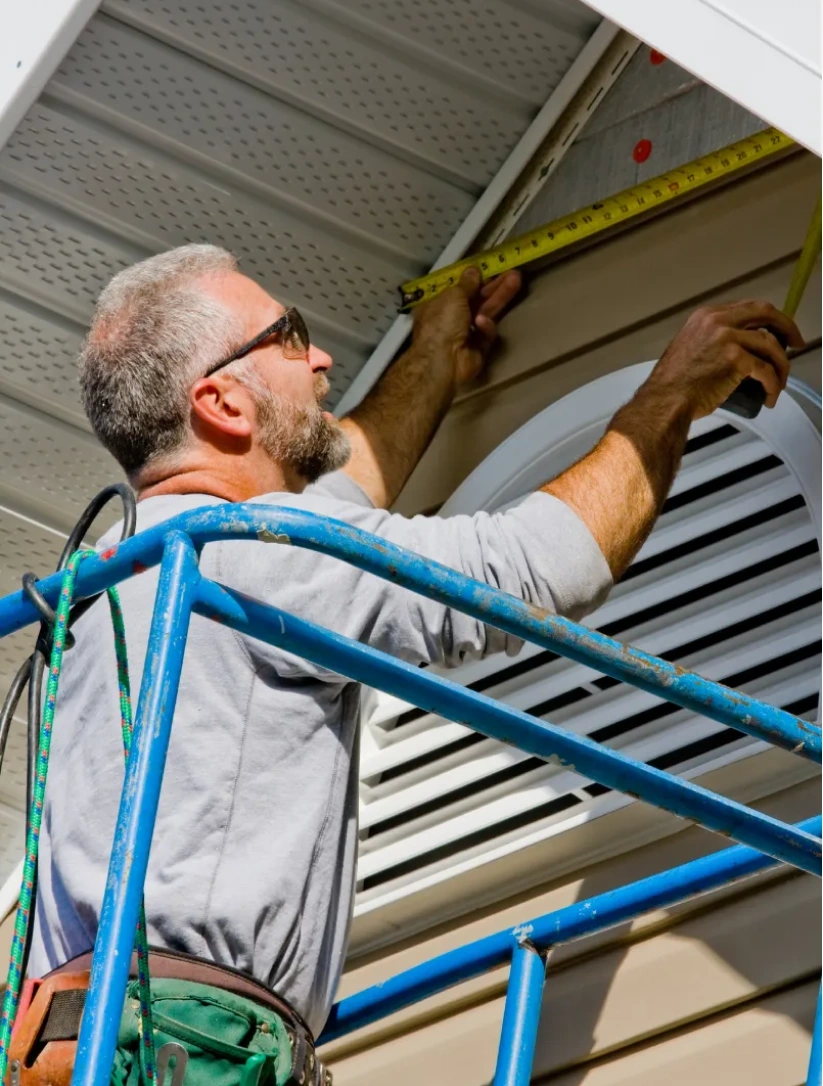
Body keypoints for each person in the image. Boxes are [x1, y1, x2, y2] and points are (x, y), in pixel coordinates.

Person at [24, 244, 801, 1085]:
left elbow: (337, 499)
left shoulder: (118, 575)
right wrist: (671, 391)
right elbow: (544, 566)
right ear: (221, 402)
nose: (320, 358)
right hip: (193, 1050)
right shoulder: (254, 551)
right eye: (289, 336)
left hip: (87, 1037)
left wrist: (432, 360)